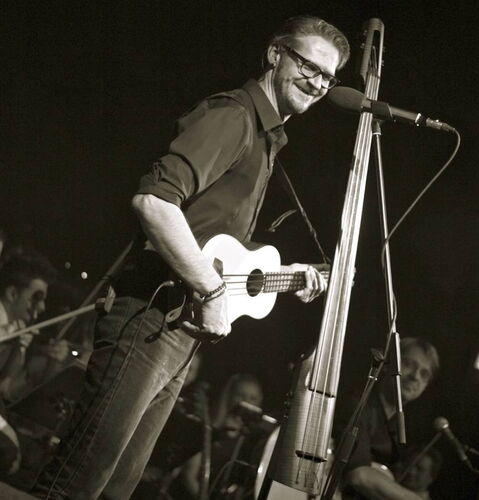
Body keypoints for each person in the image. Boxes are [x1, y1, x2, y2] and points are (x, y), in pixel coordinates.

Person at [33, 15, 350, 500]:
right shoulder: (235, 116)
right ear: (275, 54)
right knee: (75, 484)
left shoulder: (266, 139)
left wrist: (289, 275)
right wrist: (213, 290)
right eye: (309, 66)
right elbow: (154, 202)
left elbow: (215, 245)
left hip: (176, 331)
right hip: (148, 317)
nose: (318, 83)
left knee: (113, 489)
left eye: (328, 77)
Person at [339, 337, 440, 500]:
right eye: (408, 364)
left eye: (424, 374)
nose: (415, 377)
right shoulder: (357, 404)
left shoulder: (400, 425)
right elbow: (358, 475)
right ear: (388, 365)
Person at [0, 252, 64, 403]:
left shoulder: (16, 329)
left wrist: (51, 361)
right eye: (37, 297)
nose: (42, 307)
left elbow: (5, 389)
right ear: (13, 293)